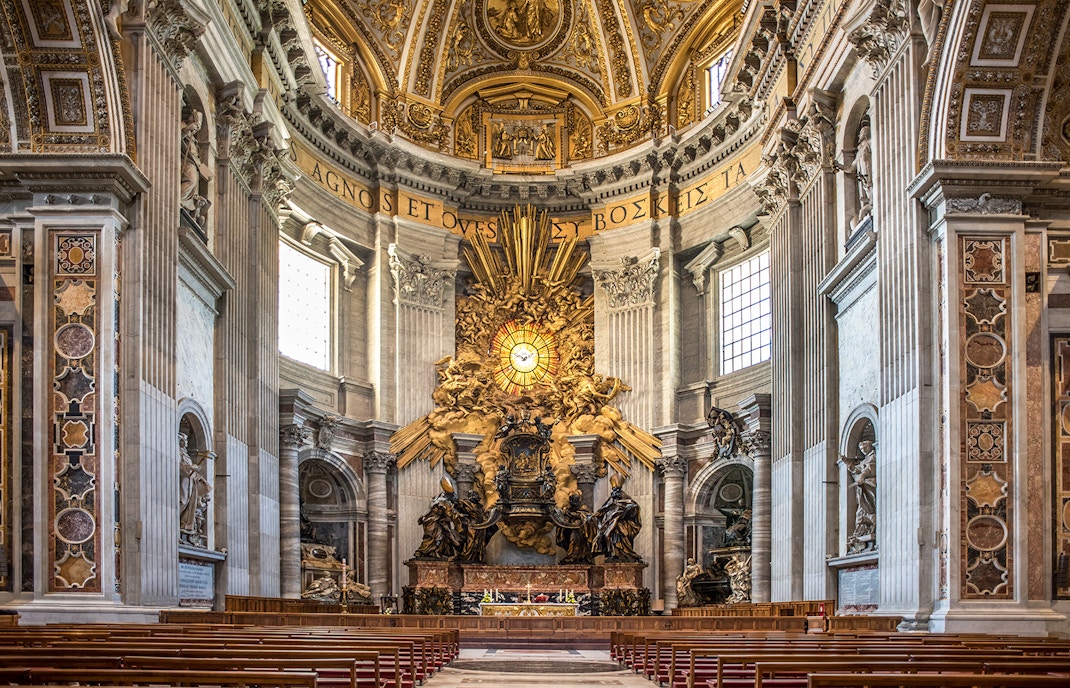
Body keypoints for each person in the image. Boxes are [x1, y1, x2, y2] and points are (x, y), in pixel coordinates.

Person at [413, 477, 465, 559]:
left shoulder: (438, 498)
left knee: (432, 537)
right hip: (434, 521)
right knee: (436, 537)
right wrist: (460, 515)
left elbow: (430, 509)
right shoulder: (445, 502)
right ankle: (425, 551)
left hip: (429, 519)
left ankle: (431, 552)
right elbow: (449, 515)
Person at [593, 481, 642, 562]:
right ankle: (614, 553)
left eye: (616, 490)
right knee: (610, 535)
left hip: (623, 524)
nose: (614, 493)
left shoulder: (628, 501)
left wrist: (624, 511)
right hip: (612, 524)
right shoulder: (611, 501)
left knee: (620, 533)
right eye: (613, 490)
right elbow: (604, 510)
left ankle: (623, 554)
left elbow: (634, 509)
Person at [178, 433, 211, 544]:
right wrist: (191, 467)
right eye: (184, 440)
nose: (186, 442)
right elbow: (178, 466)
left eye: (187, 440)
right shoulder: (177, 452)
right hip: (182, 482)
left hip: (190, 483)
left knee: (188, 504)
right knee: (182, 503)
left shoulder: (186, 454)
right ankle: (174, 526)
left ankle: (183, 525)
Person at [556, 493, 596, 564]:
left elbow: (587, 517)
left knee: (574, 539)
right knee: (571, 539)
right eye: (572, 500)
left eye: (576, 500)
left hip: (581, 530)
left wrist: (573, 515)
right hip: (571, 528)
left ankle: (574, 556)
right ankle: (572, 555)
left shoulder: (583, 508)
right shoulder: (569, 508)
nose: (574, 502)